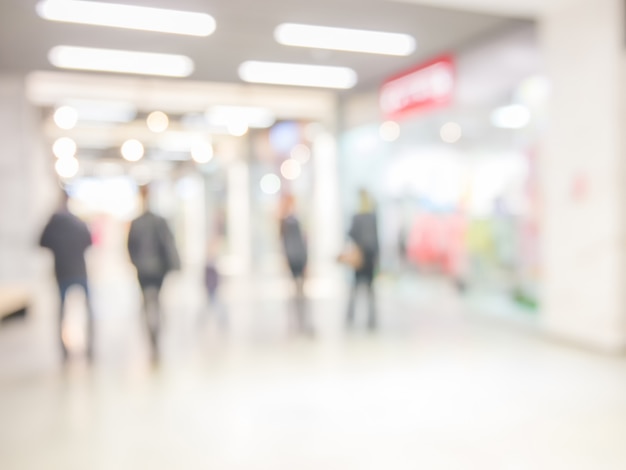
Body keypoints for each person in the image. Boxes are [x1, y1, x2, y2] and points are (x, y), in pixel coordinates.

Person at [39, 189, 94, 362]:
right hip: (79, 271)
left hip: (62, 272)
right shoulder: (78, 222)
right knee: (87, 308)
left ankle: (63, 349)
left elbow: (41, 242)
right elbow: (89, 241)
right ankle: (90, 343)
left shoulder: (53, 223)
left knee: (62, 310)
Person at [127, 185, 180, 361]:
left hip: (144, 270)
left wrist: (136, 263)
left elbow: (130, 247)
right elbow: (168, 243)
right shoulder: (159, 221)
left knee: (148, 301)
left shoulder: (137, 223)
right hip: (157, 269)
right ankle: (155, 329)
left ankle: (152, 330)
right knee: (155, 300)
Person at [346, 189, 379, 330]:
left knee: (355, 289)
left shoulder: (357, 217)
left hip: (360, 257)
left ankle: (350, 316)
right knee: (370, 290)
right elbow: (376, 240)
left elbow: (350, 234)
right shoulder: (372, 217)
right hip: (370, 257)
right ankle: (371, 319)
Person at [279, 193, 311, 335]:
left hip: (298, 257)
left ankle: (302, 321)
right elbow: (287, 242)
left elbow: (301, 241)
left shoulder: (292, 220)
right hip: (294, 258)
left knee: (300, 291)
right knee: (295, 291)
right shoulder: (287, 221)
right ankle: (296, 322)